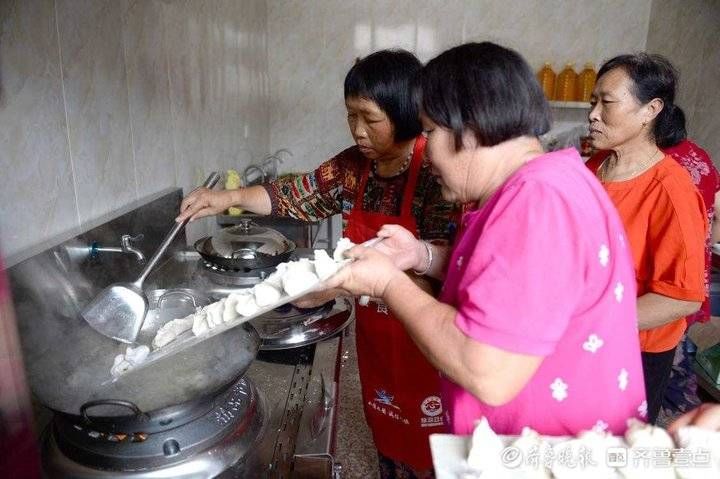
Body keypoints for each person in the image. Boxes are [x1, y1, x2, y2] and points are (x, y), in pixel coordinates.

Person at [326, 41, 646, 437]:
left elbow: (487, 369)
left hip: (545, 453)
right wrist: (420, 255)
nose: (427, 156)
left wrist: (387, 283)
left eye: (430, 132)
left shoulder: (538, 202)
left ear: (471, 128)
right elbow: (512, 285)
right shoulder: (543, 184)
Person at [177, 50, 456, 477]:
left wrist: (340, 284)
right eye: (351, 116)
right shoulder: (353, 167)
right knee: (388, 436)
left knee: (436, 451)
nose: (358, 131)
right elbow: (294, 195)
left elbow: (449, 274)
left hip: (427, 336)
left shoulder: (437, 173)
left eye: (370, 118)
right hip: (378, 336)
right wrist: (228, 198)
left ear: (403, 111)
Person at [584, 53, 707, 425]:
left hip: (633, 351)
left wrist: (592, 321)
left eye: (607, 102)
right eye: (593, 102)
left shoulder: (671, 190)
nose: (593, 114)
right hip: (581, 341)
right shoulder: (592, 168)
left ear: (650, 109)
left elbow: (681, 297)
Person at [661, 140, 720, 424]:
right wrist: (705, 245)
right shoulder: (701, 156)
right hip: (695, 273)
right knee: (680, 347)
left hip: (666, 282)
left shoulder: (656, 163)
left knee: (671, 362)